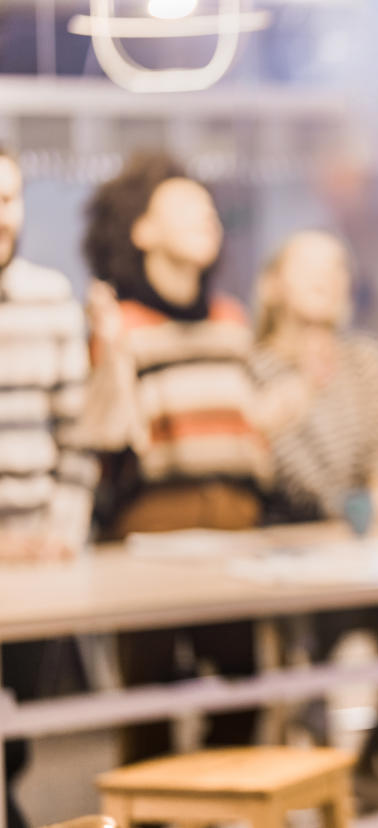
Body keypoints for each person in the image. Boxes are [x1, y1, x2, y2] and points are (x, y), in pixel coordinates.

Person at [79, 151, 269, 763]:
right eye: (185, 208)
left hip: (236, 540)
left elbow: (252, 437)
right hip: (148, 546)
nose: (205, 219)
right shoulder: (121, 326)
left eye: (209, 210)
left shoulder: (231, 321)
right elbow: (107, 436)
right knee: (148, 716)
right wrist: (107, 354)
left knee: (247, 698)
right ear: (141, 230)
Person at [249, 229, 378, 805]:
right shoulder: (258, 368)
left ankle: (359, 767)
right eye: (310, 266)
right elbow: (296, 480)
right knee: (309, 661)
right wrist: (363, 503)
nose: (328, 278)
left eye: (338, 266)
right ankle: (316, 786)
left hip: (369, 559)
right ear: (274, 285)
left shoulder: (366, 360)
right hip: (295, 561)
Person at [0, 148, 94, 828]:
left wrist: (59, 532)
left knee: (20, 735)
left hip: (38, 559)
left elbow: (78, 435)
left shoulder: (49, 296)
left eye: (7, 199)